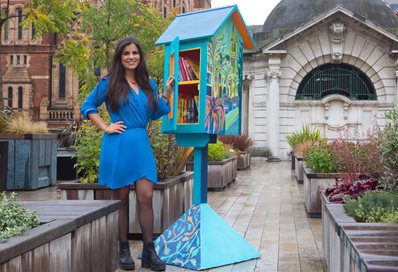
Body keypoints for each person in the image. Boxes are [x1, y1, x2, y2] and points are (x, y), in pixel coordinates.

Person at [81, 36, 174, 271]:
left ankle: (149, 252)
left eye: (135, 53)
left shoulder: (147, 84)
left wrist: (166, 93)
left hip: (141, 144)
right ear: (120, 57)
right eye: (126, 53)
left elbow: (156, 112)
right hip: (119, 144)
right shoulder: (109, 82)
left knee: (146, 197)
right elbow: (88, 106)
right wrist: (105, 126)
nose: (131, 57)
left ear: (140, 56)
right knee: (120, 200)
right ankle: (123, 250)